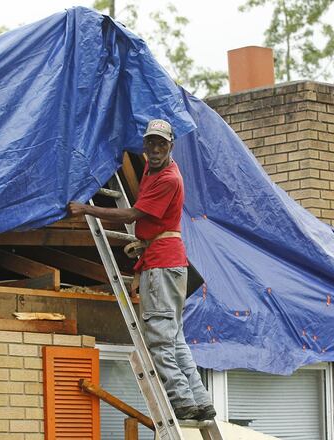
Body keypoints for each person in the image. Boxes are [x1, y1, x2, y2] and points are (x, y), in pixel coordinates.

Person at [67, 119, 215, 421]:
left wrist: (86, 208)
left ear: (171, 145)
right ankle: (201, 400)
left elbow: (133, 213)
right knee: (174, 338)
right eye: (151, 143)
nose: (156, 149)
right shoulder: (151, 167)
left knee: (160, 341)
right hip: (163, 260)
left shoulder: (169, 179)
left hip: (163, 263)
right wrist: (138, 270)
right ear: (144, 145)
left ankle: (182, 403)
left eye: (162, 144)